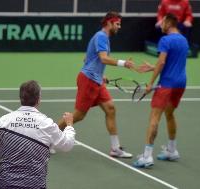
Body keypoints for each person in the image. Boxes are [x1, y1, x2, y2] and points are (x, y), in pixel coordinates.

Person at [56, 11, 150, 158]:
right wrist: (124, 63)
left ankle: (115, 148)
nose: (119, 27)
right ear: (109, 23)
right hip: (88, 80)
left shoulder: (103, 37)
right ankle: (47, 139)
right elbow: (104, 59)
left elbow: (87, 58)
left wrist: (100, 75)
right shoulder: (101, 36)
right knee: (79, 115)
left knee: (110, 109)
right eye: (117, 24)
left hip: (97, 81)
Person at [0, 80, 76, 188]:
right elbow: (67, 145)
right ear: (39, 99)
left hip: (6, 184)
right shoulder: (47, 124)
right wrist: (69, 125)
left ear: (20, 98)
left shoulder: (2, 122)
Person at [133, 13, 188, 168]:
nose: (160, 24)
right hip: (181, 83)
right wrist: (152, 67)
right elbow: (172, 63)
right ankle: (172, 150)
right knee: (169, 114)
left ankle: (147, 156)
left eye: (163, 22)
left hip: (167, 84)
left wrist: (150, 83)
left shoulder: (165, 40)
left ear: (169, 23)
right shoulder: (183, 40)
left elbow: (163, 61)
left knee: (154, 117)